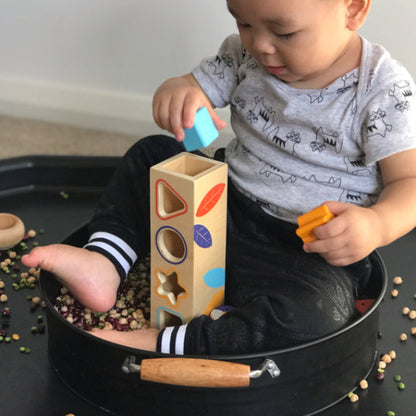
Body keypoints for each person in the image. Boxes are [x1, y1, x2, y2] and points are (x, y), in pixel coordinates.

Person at [23, 0, 416, 355]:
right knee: (153, 155)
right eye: (243, 22)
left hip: (305, 254)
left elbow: (409, 181)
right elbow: (190, 87)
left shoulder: (383, 91)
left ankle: (170, 342)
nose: (260, 45)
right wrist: (177, 94)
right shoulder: (243, 53)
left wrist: (378, 224)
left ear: (352, 9)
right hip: (218, 210)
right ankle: (105, 263)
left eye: (284, 32)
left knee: (319, 315)